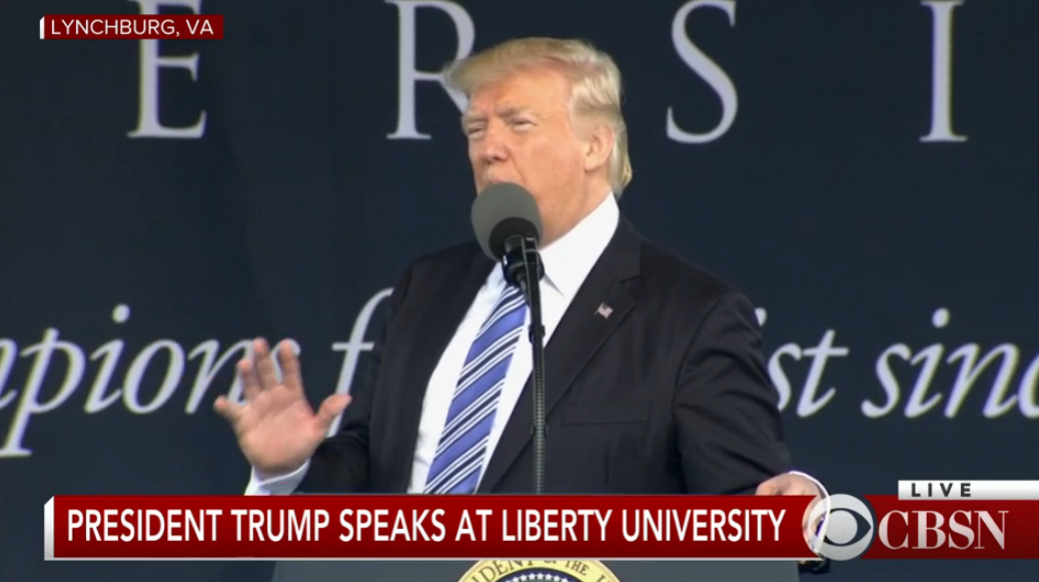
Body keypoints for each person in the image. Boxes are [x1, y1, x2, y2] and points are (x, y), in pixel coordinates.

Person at [215, 37, 828, 573]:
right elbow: (373, 481)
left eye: (519, 124)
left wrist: (792, 508)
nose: (489, 149)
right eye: (476, 130)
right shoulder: (427, 286)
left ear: (596, 144)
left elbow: (751, 511)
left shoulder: (691, 314)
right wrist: (287, 474)